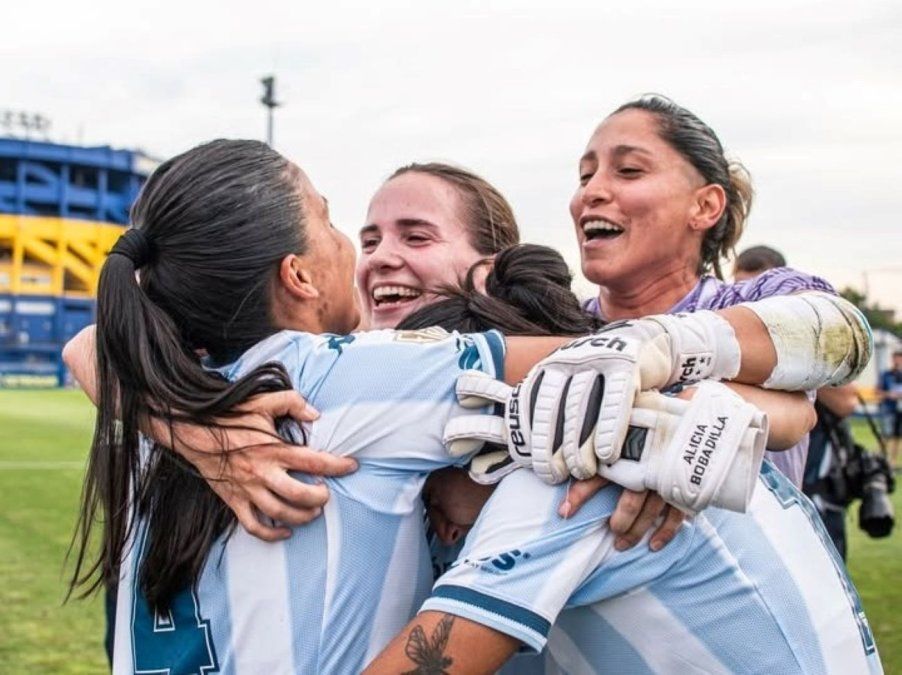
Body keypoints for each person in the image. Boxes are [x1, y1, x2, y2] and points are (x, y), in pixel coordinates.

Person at [65, 140, 871, 673]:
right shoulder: (353, 382)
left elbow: (821, 353)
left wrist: (677, 399)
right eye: (360, 231)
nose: (373, 254)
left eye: (414, 235)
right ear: (297, 276)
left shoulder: (543, 413)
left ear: (489, 271)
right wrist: (192, 425)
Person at [735, 243, 860, 558]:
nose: (750, 307)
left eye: (760, 299)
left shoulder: (810, 339)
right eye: (740, 296)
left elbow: (847, 402)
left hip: (809, 482)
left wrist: (788, 355)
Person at [878, 350, 902, 468]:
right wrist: (889, 395)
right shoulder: (886, 375)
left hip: (900, 409)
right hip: (889, 408)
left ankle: (893, 461)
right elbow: (878, 391)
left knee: (898, 436)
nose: (897, 361)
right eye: (895, 358)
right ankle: (881, 458)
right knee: (886, 434)